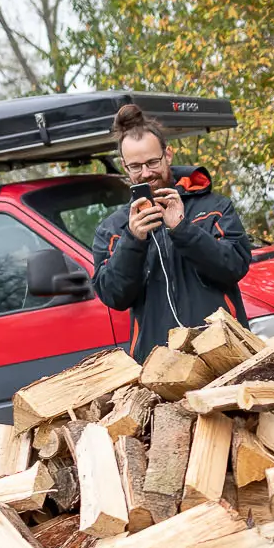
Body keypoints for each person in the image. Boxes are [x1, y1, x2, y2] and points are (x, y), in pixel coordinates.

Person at [91, 102, 254, 358]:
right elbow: (114, 296)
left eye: (152, 162)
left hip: (225, 350)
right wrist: (133, 241)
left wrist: (182, 229)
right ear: (125, 166)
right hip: (159, 362)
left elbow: (234, 266)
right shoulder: (113, 229)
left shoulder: (213, 207)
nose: (146, 173)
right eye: (135, 166)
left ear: (168, 155)